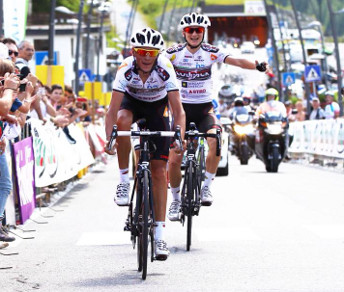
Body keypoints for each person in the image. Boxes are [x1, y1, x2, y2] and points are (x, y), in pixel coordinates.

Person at [164, 12, 268, 219]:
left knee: (216, 140)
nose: (194, 34)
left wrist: (256, 65)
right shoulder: (173, 53)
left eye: (198, 30)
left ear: (204, 33)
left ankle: (206, 187)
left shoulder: (211, 52)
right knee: (175, 156)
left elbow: (237, 61)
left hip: (204, 110)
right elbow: (150, 63)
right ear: (184, 33)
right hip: (180, 111)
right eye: (190, 30)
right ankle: (175, 201)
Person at [104, 27, 185, 260]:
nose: (147, 57)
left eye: (152, 52)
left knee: (160, 171)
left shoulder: (165, 69)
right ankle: (122, 181)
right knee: (122, 120)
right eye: (142, 51)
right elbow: (111, 111)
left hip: (157, 109)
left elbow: (178, 111)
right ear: (134, 52)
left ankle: (159, 236)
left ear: (158, 54)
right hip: (131, 104)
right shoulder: (125, 69)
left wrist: (179, 135)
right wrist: (111, 138)